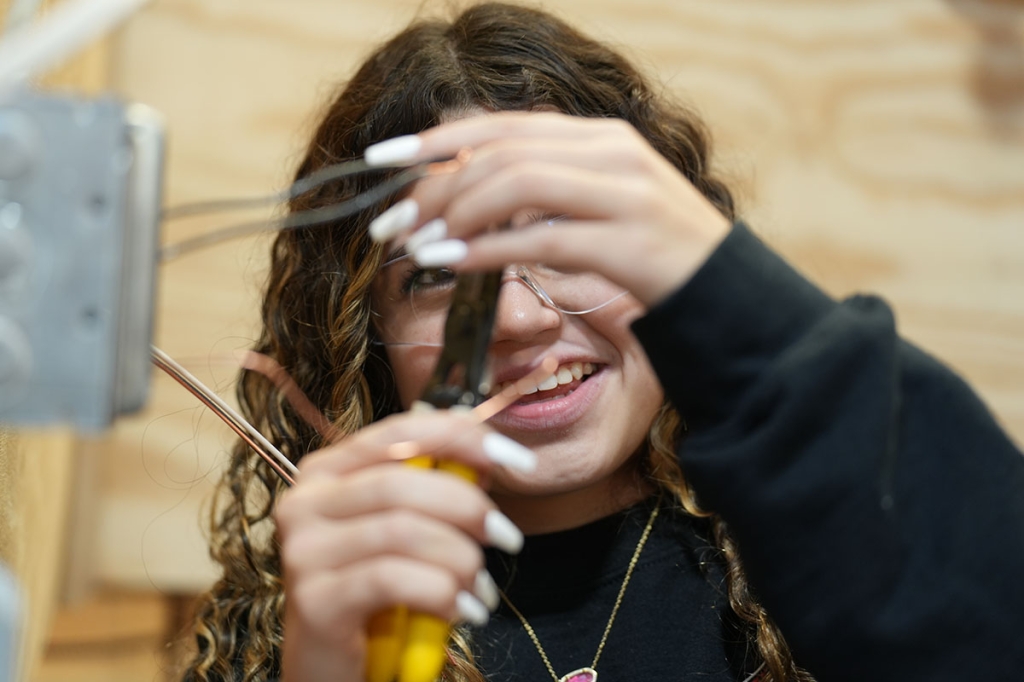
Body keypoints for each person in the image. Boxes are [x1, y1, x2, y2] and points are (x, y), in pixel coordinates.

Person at [180, 3, 1024, 682]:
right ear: (365, 333)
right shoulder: (302, 635)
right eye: (436, 275)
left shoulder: (828, 568)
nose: (515, 317)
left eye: (566, 236)